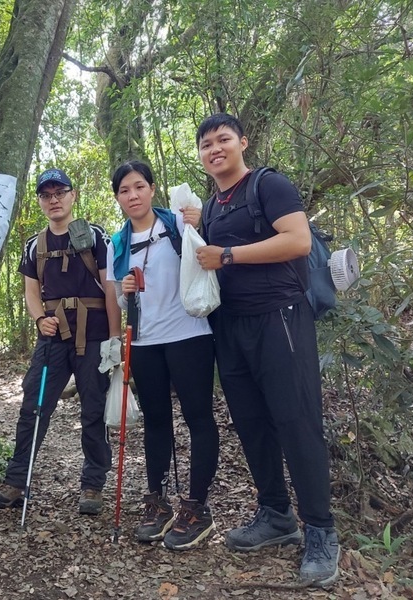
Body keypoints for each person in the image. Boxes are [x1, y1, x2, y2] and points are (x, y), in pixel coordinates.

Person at [195, 113, 339, 587]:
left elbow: (297, 241)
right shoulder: (213, 205)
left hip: (280, 319)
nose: (215, 149)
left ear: (242, 142)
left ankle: (320, 531)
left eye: (223, 140)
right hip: (230, 327)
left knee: (296, 420)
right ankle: (276, 514)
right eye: (206, 144)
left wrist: (230, 255)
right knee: (252, 422)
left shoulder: (268, 185)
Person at [0, 168, 121, 515]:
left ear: (73, 196)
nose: (54, 200)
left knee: (93, 409)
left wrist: (114, 338)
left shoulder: (96, 236)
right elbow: (31, 291)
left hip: (93, 335)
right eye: (46, 195)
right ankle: (17, 482)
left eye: (60, 192)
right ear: (41, 202)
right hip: (53, 334)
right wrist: (38, 318)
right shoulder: (35, 245)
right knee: (34, 405)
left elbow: (110, 287)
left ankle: (93, 486)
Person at [106, 160, 219, 550]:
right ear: (118, 197)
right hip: (145, 341)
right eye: (124, 190)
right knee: (156, 421)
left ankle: (196, 507)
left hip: (189, 335)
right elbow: (121, 302)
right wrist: (125, 291)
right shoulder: (117, 243)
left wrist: (199, 217)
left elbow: (206, 240)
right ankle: (157, 502)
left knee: (198, 417)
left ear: (152, 189)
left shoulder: (176, 222)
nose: (132, 195)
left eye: (139, 186)